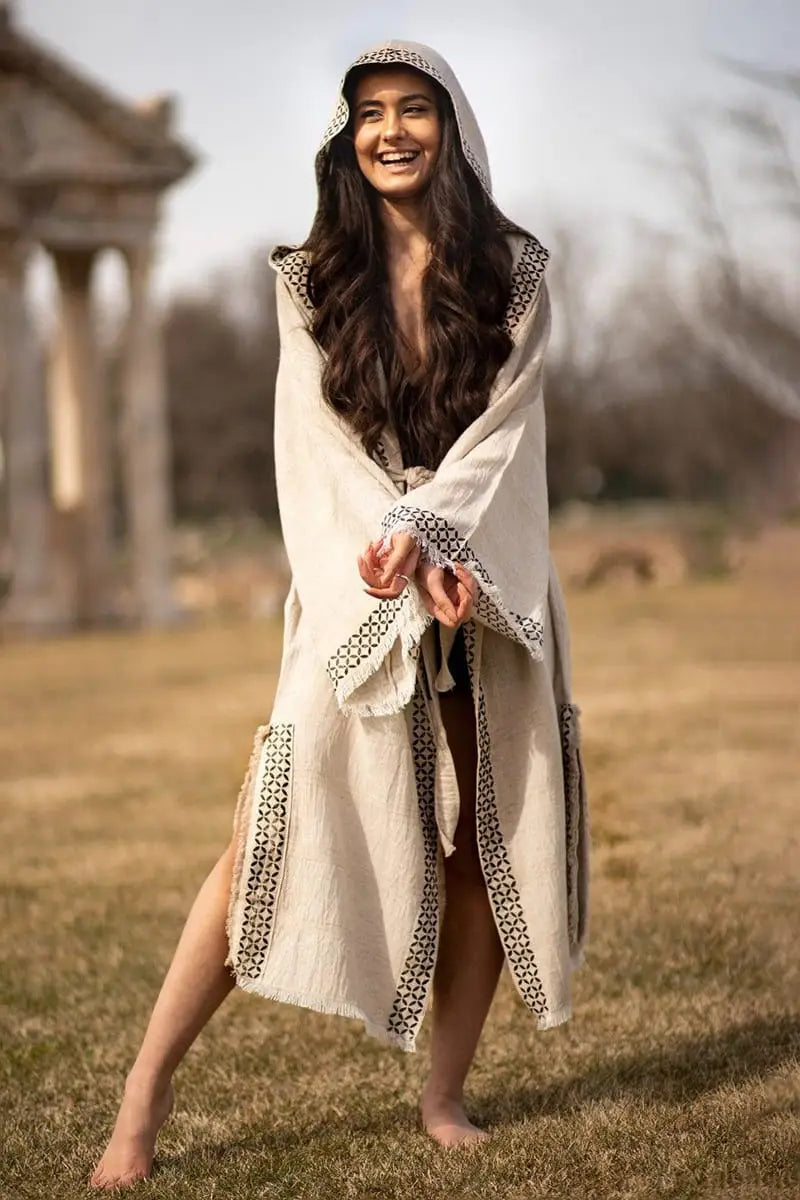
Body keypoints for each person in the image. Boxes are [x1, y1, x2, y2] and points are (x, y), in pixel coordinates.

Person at [89, 39, 590, 1190]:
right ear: (346, 134)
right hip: (358, 576)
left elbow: (505, 436)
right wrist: (394, 549)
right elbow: (312, 444)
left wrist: (445, 542)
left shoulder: (514, 271)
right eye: (371, 113)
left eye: (415, 109)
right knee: (261, 834)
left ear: (449, 126)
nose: (392, 131)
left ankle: (443, 1093)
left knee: (484, 844)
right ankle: (141, 1102)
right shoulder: (306, 277)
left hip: (483, 586)